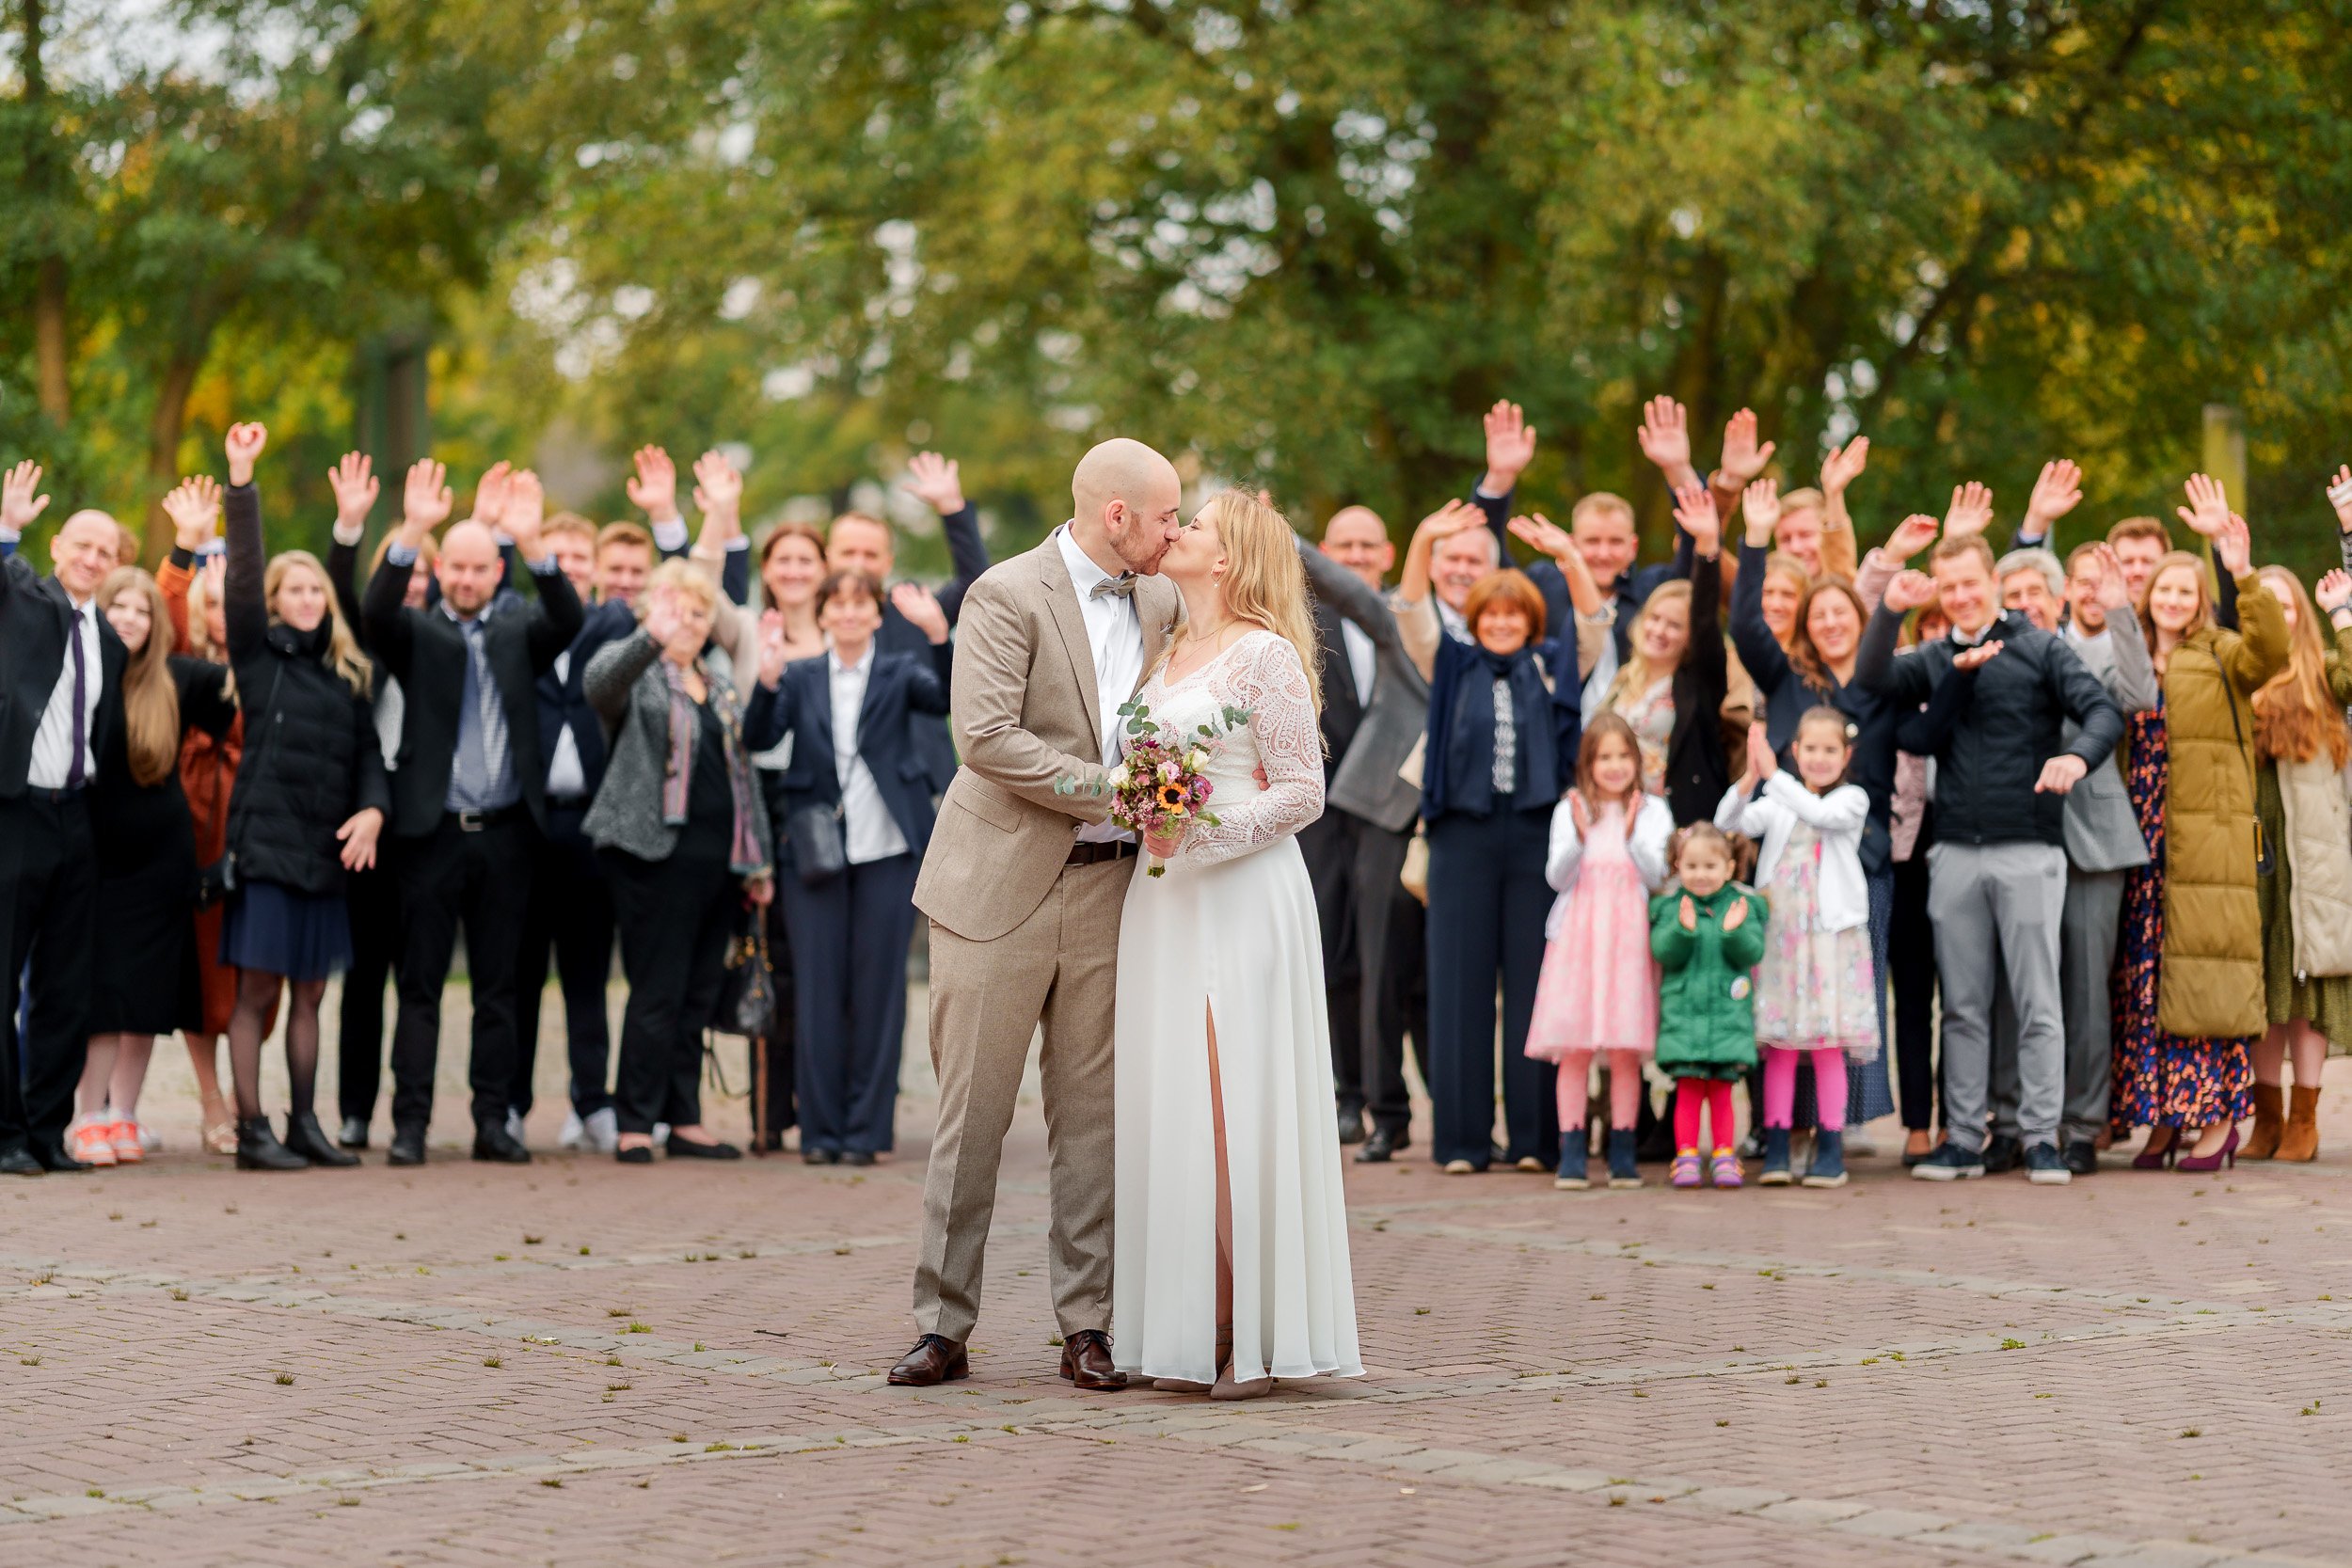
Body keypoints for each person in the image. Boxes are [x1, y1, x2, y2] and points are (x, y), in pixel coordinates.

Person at [890, 437, 1184, 1391]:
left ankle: (1087, 1324)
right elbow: (982, 736)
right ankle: (942, 1324)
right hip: (994, 886)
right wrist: (1109, 789)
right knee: (972, 1113)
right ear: (1116, 514)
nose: (1175, 532)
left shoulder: (1164, 599)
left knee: (1093, 1119)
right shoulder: (1005, 593)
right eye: (1166, 516)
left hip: (1113, 887)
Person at [1109, 487, 1359, 1399]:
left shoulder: (1265, 654)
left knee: (1229, 1108)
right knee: (1171, 1104)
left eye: (1197, 525)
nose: (1176, 530)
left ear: (1228, 558)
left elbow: (1303, 790)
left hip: (1241, 894)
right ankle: (1185, 1320)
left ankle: (1246, 1326)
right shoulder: (1167, 650)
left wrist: (1198, 832)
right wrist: (1141, 808)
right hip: (1161, 901)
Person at [1860, 531, 2122, 1186]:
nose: (1960, 596)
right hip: (1954, 851)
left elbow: (2102, 711)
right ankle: (1963, 1138)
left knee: (2037, 1003)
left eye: (1970, 583)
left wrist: (2076, 757)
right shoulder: (1932, 657)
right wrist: (1889, 609)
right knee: (1963, 1006)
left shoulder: (2039, 647)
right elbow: (1871, 679)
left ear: (1992, 582)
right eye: (1948, 587)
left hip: (2030, 847)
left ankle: (2040, 1139)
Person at [363, 459, 583, 1166]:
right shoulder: (416, 633)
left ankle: (494, 1121)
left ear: (497, 571)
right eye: (454, 567)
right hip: (431, 834)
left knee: (499, 988)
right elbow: (374, 613)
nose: (464, 579)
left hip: (507, 834)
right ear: (442, 570)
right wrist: (413, 527)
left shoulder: (520, 630)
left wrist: (532, 540)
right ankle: (410, 1125)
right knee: (419, 986)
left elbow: (569, 617)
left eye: (478, 568)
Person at [214, 424, 389, 1170]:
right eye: (296, 589)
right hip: (265, 853)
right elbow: (242, 575)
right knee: (258, 993)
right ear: (276, 601)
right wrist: (241, 482)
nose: (310, 598)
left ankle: (305, 1124)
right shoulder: (258, 658)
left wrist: (374, 810)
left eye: (318, 588)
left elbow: (370, 755)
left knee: (312, 994)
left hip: (324, 857)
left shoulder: (347, 675)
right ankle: (252, 1131)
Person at [1397, 504, 1581, 1175]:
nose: (1502, 624)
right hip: (1461, 835)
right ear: (1475, 619)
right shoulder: (1449, 662)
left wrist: (1570, 557)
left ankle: (1535, 1139)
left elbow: (1593, 623)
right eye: (1491, 614)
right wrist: (1424, 538)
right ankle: (1463, 1142)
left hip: (1534, 836)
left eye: (1514, 615)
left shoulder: (1552, 666)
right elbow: (1411, 610)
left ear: (1531, 621)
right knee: (1458, 986)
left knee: (1534, 984)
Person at [2108, 499, 2284, 1170]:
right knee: (2149, 983)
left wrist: (2244, 573)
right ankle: (2164, 1120)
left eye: (2186, 591)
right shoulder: (2131, 656)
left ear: (2200, 599)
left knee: (2206, 981)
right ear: (2149, 596)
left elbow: (2270, 651)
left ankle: (2218, 1122)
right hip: (2143, 843)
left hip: (2202, 843)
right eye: (2165, 590)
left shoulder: (2220, 652)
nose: (2174, 600)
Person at [582, 560, 775, 1164]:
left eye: (699, 613)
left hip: (719, 862)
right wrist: (650, 637)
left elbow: (745, 777)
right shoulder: (637, 673)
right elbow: (598, 685)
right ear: (651, 613)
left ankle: (684, 1119)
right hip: (651, 857)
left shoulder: (719, 687)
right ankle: (636, 1122)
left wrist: (759, 864)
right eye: (677, 611)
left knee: (698, 991)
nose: (688, 623)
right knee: (657, 990)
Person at [758, 568, 951, 1165]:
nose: (847, 613)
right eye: (836, 604)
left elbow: (948, 698)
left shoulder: (899, 671)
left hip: (887, 852)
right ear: (821, 615)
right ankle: (820, 1133)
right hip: (814, 854)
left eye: (859, 604)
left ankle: (866, 1132)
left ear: (875, 615)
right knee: (817, 990)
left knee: (878, 993)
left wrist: (939, 636)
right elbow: (758, 737)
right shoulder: (799, 676)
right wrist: (766, 681)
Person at [1980, 542, 2157, 1177]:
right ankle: (2011, 1122)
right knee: (2013, 991)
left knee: (2084, 990)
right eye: (2013, 596)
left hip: (2091, 841)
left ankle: (2081, 1125)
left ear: (2057, 600)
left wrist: (2120, 612)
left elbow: (2139, 694)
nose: (2025, 604)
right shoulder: (1984, 659)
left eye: (2036, 593)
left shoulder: (2093, 653)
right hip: (2012, 838)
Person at [67, 562, 235, 1164]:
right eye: (119, 606)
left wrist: (230, 596)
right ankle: (87, 1116)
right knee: (101, 994)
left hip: (164, 864)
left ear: (157, 622)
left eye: (143, 610)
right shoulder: (81, 673)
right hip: (97, 860)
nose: (130, 618)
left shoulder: (178, 678)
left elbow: (244, 679)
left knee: (144, 996)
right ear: (100, 611)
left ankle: (124, 1115)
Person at [506, 512, 658, 1156]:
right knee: (519, 974)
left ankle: (591, 1101)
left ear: (594, 569)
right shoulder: (519, 621)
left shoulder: (615, 625)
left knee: (588, 974)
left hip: (592, 822)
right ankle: (510, 1104)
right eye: (557, 557)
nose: (568, 568)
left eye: (578, 559)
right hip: (529, 822)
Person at [0, 463, 126, 1175]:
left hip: (77, 817)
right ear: (56, 547)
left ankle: (48, 1130)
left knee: (65, 985)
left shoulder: (107, 636)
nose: (93, 558)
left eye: (106, 551)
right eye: (83, 545)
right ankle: (6, 1133)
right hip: (17, 813)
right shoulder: (21, 597)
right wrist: (6, 527)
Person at [1295, 519, 1431, 1165]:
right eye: (1343, 546)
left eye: (1366, 546)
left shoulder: (1411, 620)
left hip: (1394, 811)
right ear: (1326, 553)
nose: (1355, 556)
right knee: (1334, 954)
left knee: (1392, 959)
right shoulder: (1304, 621)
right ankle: (1348, 1095)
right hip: (1321, 811)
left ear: (1388, 553)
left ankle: (1401, 1100)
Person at [1716, 714, 1877, 1187]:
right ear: (1796, 752)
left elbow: (1820, 815)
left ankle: (1830, 1148)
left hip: (1829, 941)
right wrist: (1750, 780)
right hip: (1784, 940)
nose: (1819, 759)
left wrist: (1774, 777)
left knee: (1827, 1046)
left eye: (1830, 750)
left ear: (1846, 756)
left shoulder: (1852, 799)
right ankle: (1778, 1147)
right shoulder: (1778, 800)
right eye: (1810, 749)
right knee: (1781, 1046)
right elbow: (1728, 822)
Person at [1527, 714, 1673, 1190]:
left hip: (1628, 943)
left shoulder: (1652, 811)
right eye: (1604, 757)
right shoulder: (1570, 808)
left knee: (1625, 1049)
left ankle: (1622, 1149)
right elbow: (1557, 877)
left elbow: (1658, 876)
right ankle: (1572, 1150)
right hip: (1579, 943)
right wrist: (1580, 836)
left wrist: (1630, 835)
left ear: (1637, 760)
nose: (1614, 766)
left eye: (1623, 756)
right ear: (1587, 763)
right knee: (1575, 1048)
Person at [325, 491, 429, 1150]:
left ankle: (411, 1116)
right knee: (362, 980)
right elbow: (340, 593)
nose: (414, 583)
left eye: (423, 573)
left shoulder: (443, 640)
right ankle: (355, 1110)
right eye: (404, 570)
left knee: (418, 979)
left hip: (425, 830)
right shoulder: (363, 635)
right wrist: (350, 526)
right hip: (364, 828)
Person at [2249, 561, 2352, 1163]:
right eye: (2265, 606)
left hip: (2310, 855)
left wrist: (2343, 614)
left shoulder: (2323, 675)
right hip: (2255, 856)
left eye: (2286, 606)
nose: (2277, 617)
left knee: (2306, 989)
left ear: (2301, 616)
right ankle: (2265, 1119)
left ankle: (2304, 1120)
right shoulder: (2240, 672)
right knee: (2265, 991)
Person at [747, 518, 830, 1149]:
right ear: (766, 570)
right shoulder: (745, 634)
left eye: (806, 559)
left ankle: (821, 1102)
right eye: (783, 560)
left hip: (825, 811)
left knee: (820, 965)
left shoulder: (846, 632)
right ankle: (771, 1113)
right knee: (772, 964)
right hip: (760, 806)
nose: (795, 570)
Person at [1651, 823, 1766, 1190]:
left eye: (1710, 866)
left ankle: (1723, 1155)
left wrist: (1733, 931)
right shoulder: (1671, 907)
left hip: (1727, 1019)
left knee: (1721, 1092)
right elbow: (1663, 951)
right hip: (1684, 1019)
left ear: (1729, 868)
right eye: (1692, 866)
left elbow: (1753, 952)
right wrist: (1682, 929)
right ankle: (1686, 1155)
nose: (1700, 875)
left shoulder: (1742, 906)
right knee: (1687, 1090)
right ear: (1677, 866)